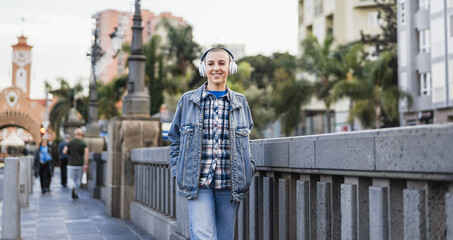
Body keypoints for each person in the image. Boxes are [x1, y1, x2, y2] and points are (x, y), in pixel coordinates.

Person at [168, 47, 255, 240]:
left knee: (225, 237)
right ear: (204, 69)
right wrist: (177, 169)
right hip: (198, 183)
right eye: (211, 64)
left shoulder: (240, 103)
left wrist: (249, 169)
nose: (216, 68)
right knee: (204, 236)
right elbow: (175, 139)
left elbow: (246, 140)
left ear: (230, 68)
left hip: (230, 183)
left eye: (221, 63)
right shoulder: (188, 101)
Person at [63, 128, 89, 199]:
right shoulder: (83, 143)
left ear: (75, 134)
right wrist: (86, 164)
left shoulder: (70, 142)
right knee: (78, 179)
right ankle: (76, 192)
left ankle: (73, 187)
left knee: (70, 178)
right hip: (80, 164)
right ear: (81, 134)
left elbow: (64, 151)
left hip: (71, 163)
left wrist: (69, 153)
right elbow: (86, 154)